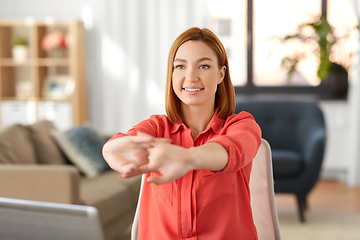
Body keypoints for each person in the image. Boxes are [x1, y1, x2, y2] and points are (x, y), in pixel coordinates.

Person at [102, 27, 262, 240]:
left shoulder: (242, 125)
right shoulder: (156, 127)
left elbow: (230, 151)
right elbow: (118, 146)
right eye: (180, 66)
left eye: (203, 66)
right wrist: (114, 151)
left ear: (221, 74)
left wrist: (187, 158)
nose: (191, 77)